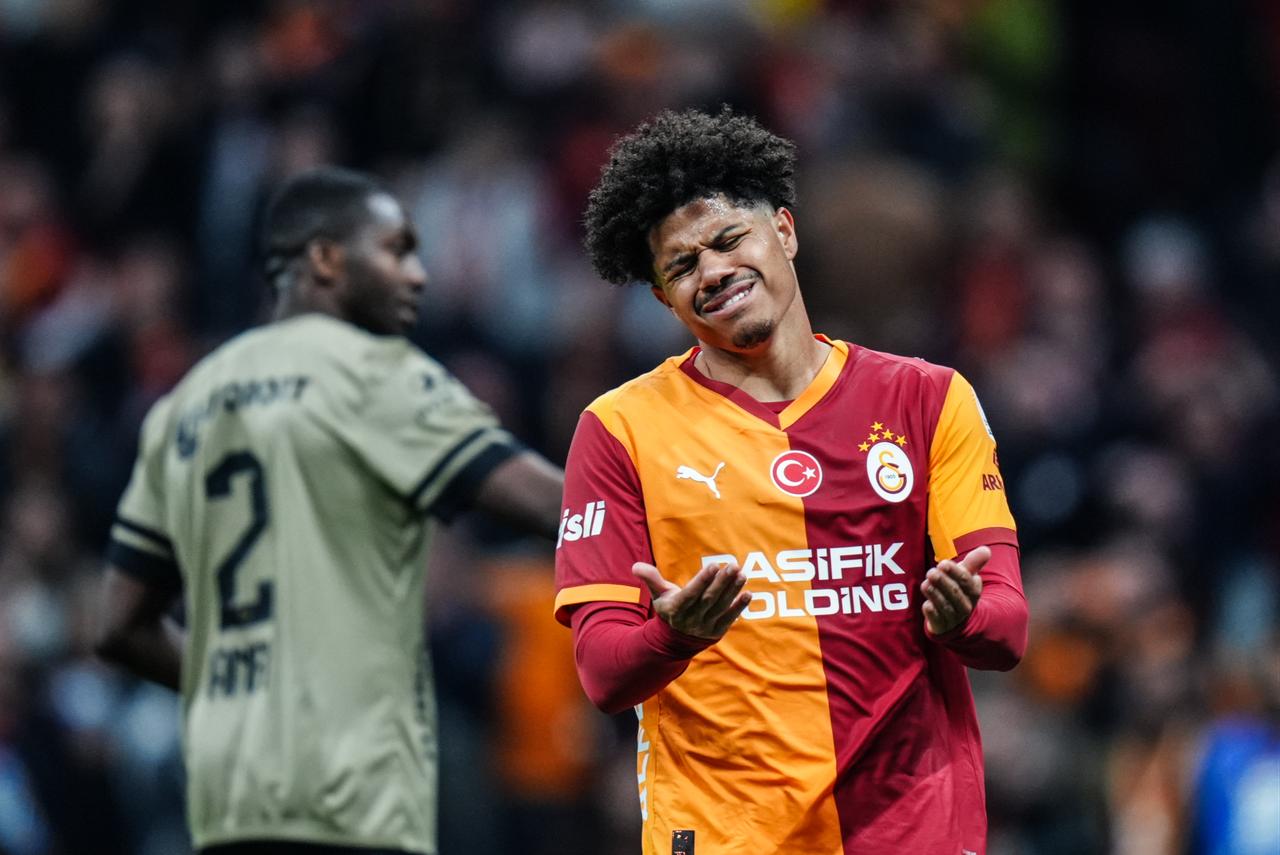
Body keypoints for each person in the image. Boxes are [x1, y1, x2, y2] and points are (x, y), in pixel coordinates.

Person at [554, 108, 1028, 854]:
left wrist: (962, 616)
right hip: (725, 833)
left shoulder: (929, 400)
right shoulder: (620, 430)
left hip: (912, 831)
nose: (710, 270)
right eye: (680, 266)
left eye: (727, 239)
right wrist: (672, 636)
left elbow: (1007, 629)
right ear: (662, 298)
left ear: (785, 230)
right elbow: (603, 672)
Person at [94, 167, 564, 855]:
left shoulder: (185, 404)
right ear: (325, 259)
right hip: (352, 792)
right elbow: (553, 503)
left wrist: (243, 689)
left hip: (228, 794)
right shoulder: (371, 372)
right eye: (397, 250)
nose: (419, 275)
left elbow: (119, 626)